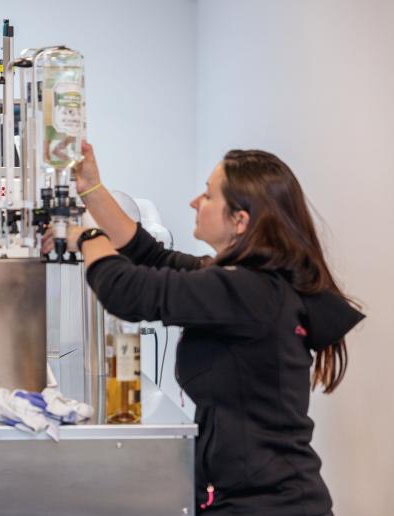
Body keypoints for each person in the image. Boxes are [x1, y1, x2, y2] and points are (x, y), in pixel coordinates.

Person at [43, 142, 365, 515]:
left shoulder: (251, 292)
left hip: (269, 505)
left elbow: (126, 292)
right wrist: (91, 189)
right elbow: (148, 253)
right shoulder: (246, 284)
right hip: (244, 496)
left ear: (240, 220)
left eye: (209, 195)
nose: (195, 202)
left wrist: (86, 237)